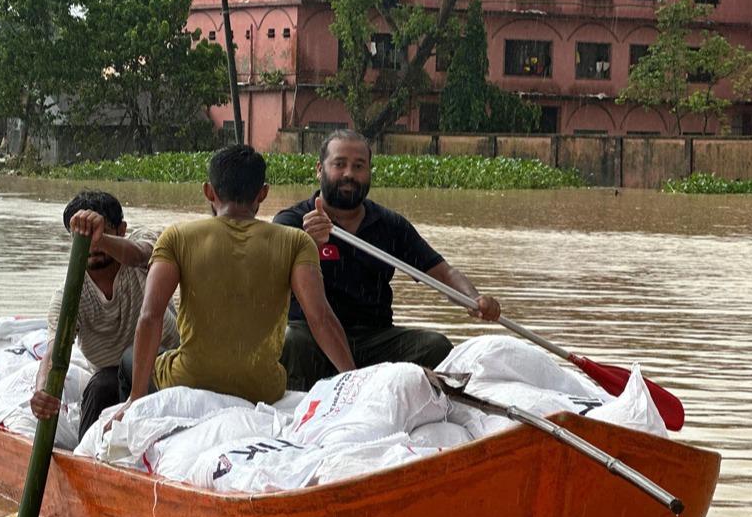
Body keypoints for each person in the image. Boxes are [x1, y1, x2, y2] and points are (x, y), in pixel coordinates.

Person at [110, 144, 354, 424]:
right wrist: (355, 378)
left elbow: (150, 315)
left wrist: (136, 397)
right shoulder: (296, 241)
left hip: (190, 379)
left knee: (129, 359)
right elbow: (320, 317)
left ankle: (130, 430)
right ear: (263, 193)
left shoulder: (177, 237)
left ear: (208, 191)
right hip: (262, 388)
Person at [273, 129, 502, 391]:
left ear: (369, 171)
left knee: (435, 345)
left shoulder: (390, 225)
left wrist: (474, 299)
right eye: (339, 164)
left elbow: (443, 273)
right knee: (290, 340)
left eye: (358, 166)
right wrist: (310, 245)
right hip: (312, 338)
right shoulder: (292, 222)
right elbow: (269, 285)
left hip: (374, 339)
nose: (349, 173)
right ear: (319, 169)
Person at [28, 190, 180, 443]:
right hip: (112, 379)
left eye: (102, 233)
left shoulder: (143, 250)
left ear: (121, 230)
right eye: (81, 238)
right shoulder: (70, 295)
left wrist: (101, 240)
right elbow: (55, 351)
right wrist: (42, 390)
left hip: (167, 364)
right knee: (101, 388)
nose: (92, 246)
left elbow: (141, 253)